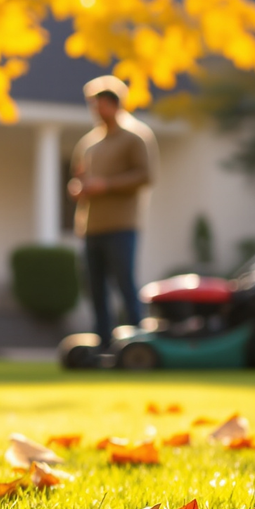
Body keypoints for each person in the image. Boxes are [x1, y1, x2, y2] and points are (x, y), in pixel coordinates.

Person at [69, 75, 157, 348]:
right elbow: (79, 177)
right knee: (95, 288)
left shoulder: (134, 138)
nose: (95, 110)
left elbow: (145, 176)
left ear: (112, 104)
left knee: (124, 283)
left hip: (122, 224)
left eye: (98, 105)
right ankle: (103, 341)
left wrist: (105, 185)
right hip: (92, 226)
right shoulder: (88, 144)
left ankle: (138, 342)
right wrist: (79, 188)